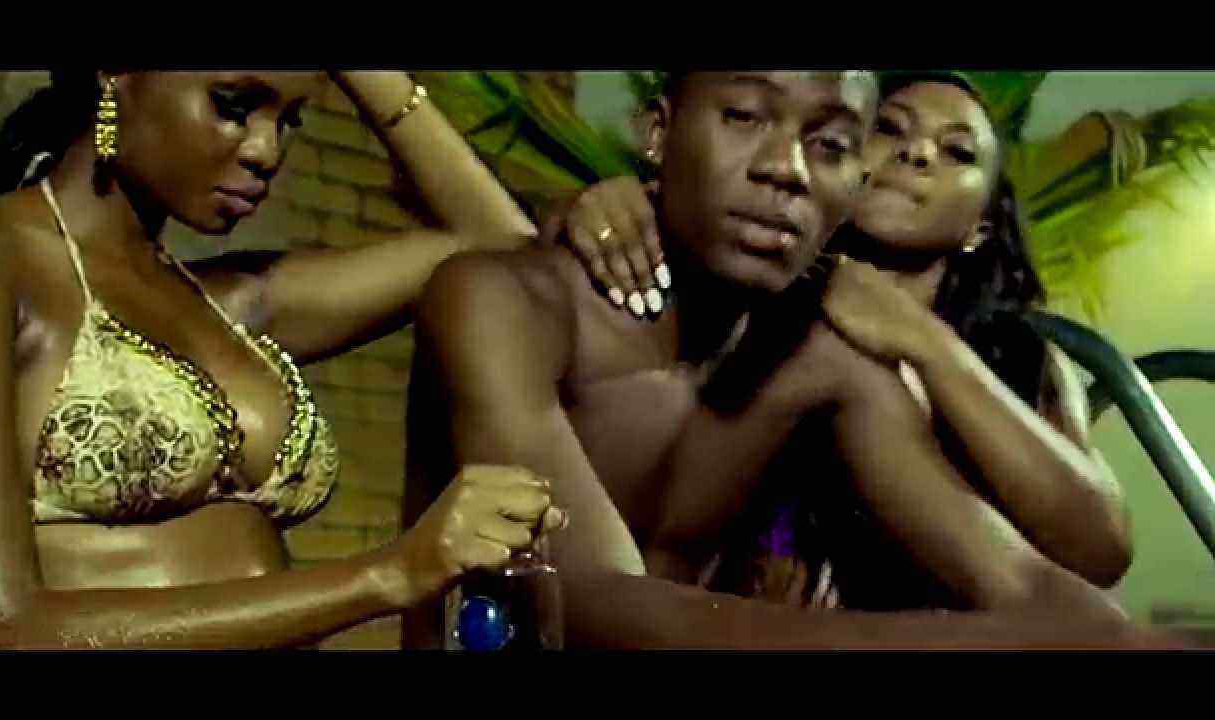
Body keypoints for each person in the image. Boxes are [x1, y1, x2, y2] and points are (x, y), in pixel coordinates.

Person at [404, 71, 1148, 649]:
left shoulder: (833, 355)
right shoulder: (506, 300)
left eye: (830, 145)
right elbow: (591, 599)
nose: (786, 169)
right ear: (658, 133)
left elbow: (1041, 579)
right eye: (744, 116)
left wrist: (1112, 638)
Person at [0, 69, 668, 649]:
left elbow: (503, 255)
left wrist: (374, 78)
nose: (266, 151)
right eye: (234, 105)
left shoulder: (232, 305)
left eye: (289, 120)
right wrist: (388, 574)